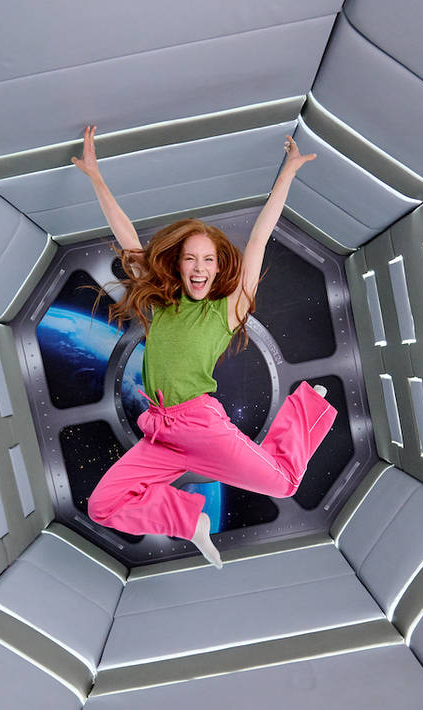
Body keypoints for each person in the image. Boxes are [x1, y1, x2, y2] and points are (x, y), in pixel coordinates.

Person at [75, 124, 336, 569]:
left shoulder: (226, 311)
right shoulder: (163, 303)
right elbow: (126, 237)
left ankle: (306, 406)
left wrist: (288, 173)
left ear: (218, 269)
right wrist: (95, 176)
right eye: (190, 259)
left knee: (284, 483)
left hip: (199, 426)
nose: (199, 268)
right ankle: (187, 519)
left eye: (208, 260)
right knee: (103, 506)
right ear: (178, 265)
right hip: (159, 431)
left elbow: (258, 239)